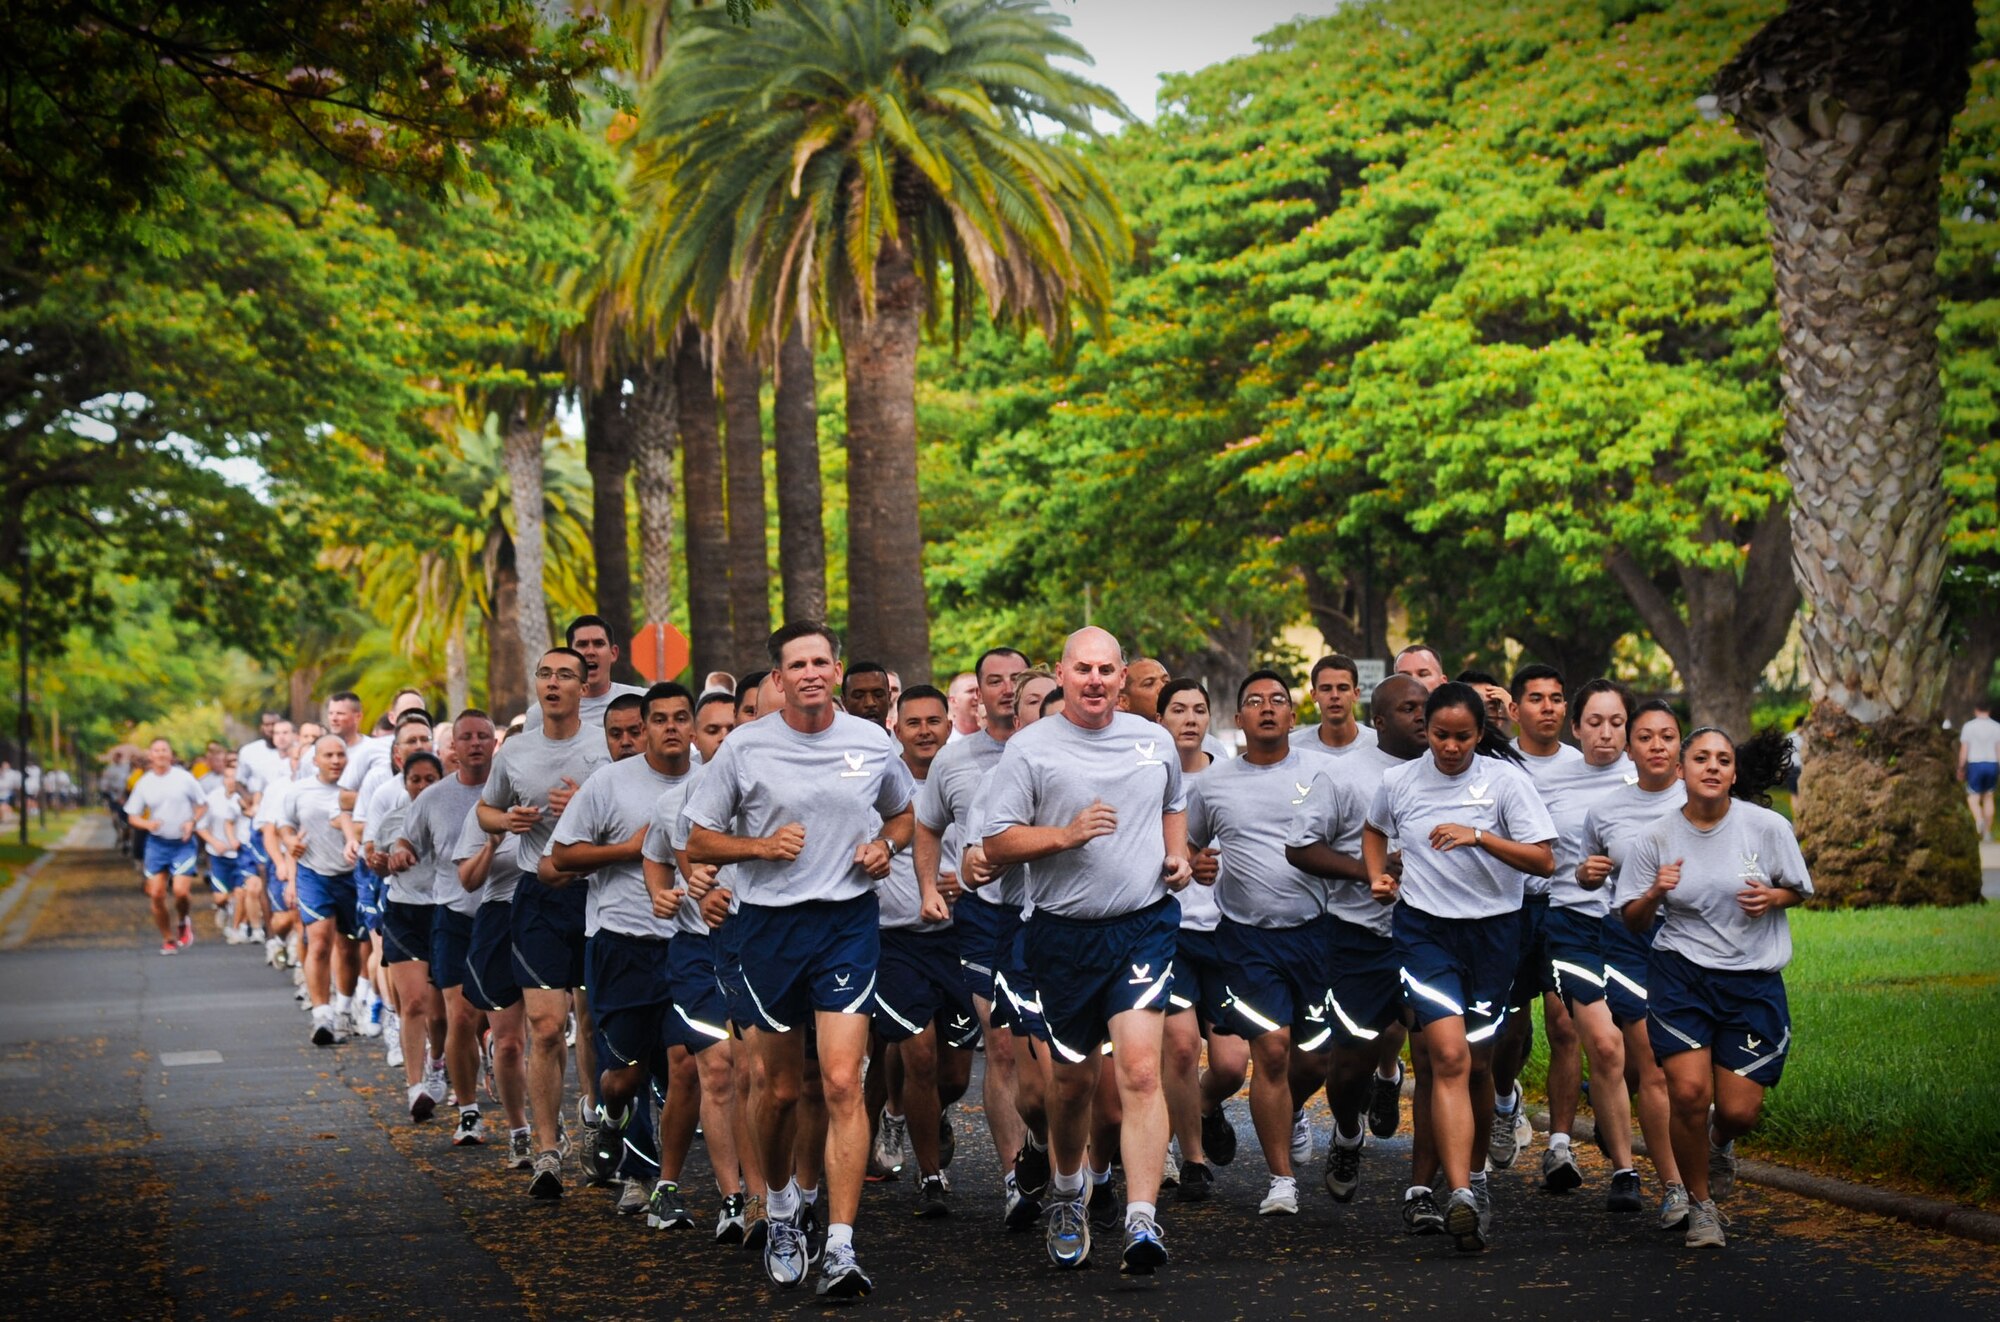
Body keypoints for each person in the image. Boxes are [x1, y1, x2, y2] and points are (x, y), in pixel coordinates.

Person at [684, 621, 915, 1300]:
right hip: (768, 928)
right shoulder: (747, 747)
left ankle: (840, 1247)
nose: (811, 672)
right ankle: (782, 1207)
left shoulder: (871, 741)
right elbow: (698, 840)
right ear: (778, 678)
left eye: (821, 661)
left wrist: (886, 847)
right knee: (781, 1090)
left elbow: (901, 814)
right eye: (797, 664)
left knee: (843, 1081)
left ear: (835, 671)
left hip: (845, 923)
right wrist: (759, 850)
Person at [983, 626, 1191, 1276]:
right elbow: (995, 845)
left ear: (1122, 676)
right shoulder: (1029, 748)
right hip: (1061, 936)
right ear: (1065, 675)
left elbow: (1173, 806)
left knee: (1139, 1072)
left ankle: (1140, 1220)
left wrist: (1177, 855)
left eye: (1107, 669)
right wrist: (1065, 836)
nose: (1096, 680)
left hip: (1142, 926)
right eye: (1083, 670)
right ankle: (1070, 1192)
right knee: (1070, 1088)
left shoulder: (1153, 739)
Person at [1363, 681, 1555, 1253]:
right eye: (1441, 735)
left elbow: (1544, 857)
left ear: (1480, 733)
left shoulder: (1505, 783)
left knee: (1477, 1063)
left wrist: (1478, 836)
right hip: (1425, 932)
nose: (1450, 747)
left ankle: (1472, 1180)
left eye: (1463, 737)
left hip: (1496, 934)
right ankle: (1459, 1193)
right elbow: (1375, 830)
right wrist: (1378, 874)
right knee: (1446, 1056)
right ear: (1426, 728)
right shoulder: (1399, 782)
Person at [1617, 727, 1808, 1250]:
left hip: (1752, 980)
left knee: (1740, 1111)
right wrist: (1656, 889)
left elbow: (1799, 889)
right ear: (1681, 770)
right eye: (1701, 757)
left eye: (1723, 759)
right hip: (1682, 976)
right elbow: (1632, 920)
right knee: (1688, 1093)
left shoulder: (1767, 828)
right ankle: (1702, 1206)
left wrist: (1773, 897)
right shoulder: (1655, 838)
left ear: (1734, 772)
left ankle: (1720, 1143)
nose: (1712, 767)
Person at [551, 683, 700, 1220]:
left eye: (680, 717)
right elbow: (561, 857)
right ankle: (607, 1116)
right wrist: (630, 849)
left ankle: (650, 1181)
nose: (669, 728)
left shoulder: (712, 777)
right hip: (621, 944)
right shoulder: (610, 783)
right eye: (657, 719)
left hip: (690, 945)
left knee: (684, 1065)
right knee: (627, 1075)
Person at [1187, 670, 1331, 1218]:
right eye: (1254, 701)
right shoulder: (1213, 784)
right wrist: (1196, 863)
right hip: (1247, 938)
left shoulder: (1324, 774)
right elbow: (1192, 845)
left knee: (1314, 1061)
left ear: (1294, 716)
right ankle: (1281, 1180)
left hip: (1316, 935)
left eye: (1278, 700)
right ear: (1239, 719)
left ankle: (1293, 1110)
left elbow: (1353, 836)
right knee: (1270, 1050)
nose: (1267, 708)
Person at [1285, 674, 1428, 1210]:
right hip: (1359, 936)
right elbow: (1300, 848)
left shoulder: (1452, 771)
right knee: (1347, 1065)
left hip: (1433, 934)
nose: (1421, 716)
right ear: (1380, 721)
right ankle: (1347, 1134)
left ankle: (1430, 1186)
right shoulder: (1345, 775)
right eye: (1409, 708)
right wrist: (1366, 871)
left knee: (1441, 1059)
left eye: (1426, 707)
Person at [479, 648, 613, 1196]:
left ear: (584, 687)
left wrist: (589, 803)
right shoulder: (515, 751)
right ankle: (545, 1150)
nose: (553, 683)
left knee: (598, 1022)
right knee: (545, 1026)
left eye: (565, 676)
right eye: (545, 674)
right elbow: (486, 809)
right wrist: (507, 819)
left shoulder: (604, 747)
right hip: (538, 894)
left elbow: (628, 813)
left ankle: (598, 1119)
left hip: (598, 892)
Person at [912, 647, 1036, 1225]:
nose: (1007, 688)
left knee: (1057, 1053)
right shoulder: (956, 760)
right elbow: (927, 824)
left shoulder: (1068, 747)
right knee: (1003, 1045)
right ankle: (1015, 1178)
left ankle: (1067, 1161)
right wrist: (930, 888)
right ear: (977, 692)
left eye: (1017, 678)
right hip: (986, 917)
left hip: (1057, 915)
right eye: (994, 681)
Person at [1580, 698, 1691, 1229]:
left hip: (1698, 941)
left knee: (1697, 1072)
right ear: (1630, 748)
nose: (1656, 746)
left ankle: (1708, 1143)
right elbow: (1594, 877)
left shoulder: (1704, 799)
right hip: (1628, 939)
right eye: (1644, 737)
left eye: (1666, 736)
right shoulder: (1605, 810)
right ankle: (1674, 1186)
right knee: (1651, 1061)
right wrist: (1588, 874)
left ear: (1681, 746)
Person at [868, 685, 978, 1216]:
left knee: (953, 1077)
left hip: (957, 938)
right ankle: (931, 1176)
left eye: (935, 720)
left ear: (949, 726)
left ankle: (923, 1114)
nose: (925, 730)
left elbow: (989, 852)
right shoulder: (879, 787)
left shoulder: (964, 778)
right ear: (898, 729)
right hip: (894, 939)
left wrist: (966, 882)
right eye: (914, 722)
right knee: (919, 1054)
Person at [1535, 679, 1645, 1211]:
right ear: (1575, 727)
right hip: (1571, 923)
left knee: (1641, 1057)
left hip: (1637, 932)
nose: (1606, 734)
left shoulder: (1650, 779)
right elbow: (1534, 854)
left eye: (1617, 723)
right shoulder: (1551, 782)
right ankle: (1624, 1172)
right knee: (1598, 1042)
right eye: (1594, 723)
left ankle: (1611, 1111)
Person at [641, 687, 746, 1240]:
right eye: (713, 730)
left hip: (759, 948)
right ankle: (733, 1198)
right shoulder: (674, 802)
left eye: (735, 726)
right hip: (696, 952)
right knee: (716, 1067)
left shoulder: (774, 790)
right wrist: (664, 894)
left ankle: (781, 1192)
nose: (725, 738)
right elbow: (655, 859)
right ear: (696, 740)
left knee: (761, 1075)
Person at [1154, 677, 1247, 1203]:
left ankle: (1206, 1107)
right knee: (1183, 1049)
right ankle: (1192, 1159)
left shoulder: (1228, 780)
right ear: (1161, 719)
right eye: (1178, 710)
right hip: (1171, 932)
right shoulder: (1146, 778)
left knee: (1232, 1064)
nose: (1189, 719)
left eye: (1198, 710)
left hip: (1226, 931)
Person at [1488, 664, 1578, 1174]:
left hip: (1567, 908)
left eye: (1557, 697)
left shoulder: (1586, 765)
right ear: (1514, 709)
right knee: (1511, 1031)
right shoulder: (1496, 764)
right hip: (1511, 908)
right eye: (1537, 698)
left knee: (1566, 1023)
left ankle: (1560, 1144)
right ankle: (1505, 1103)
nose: (1549, 707)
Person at [390, 712, 497, 1142]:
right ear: (452, 746)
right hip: (452, 916)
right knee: (461, 1016)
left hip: (501, 913)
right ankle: (468, 1111)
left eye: (482, 737)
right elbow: (406, 838)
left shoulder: (508, 789)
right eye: (464, 737)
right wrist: (398, 852)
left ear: (494, 743)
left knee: (506, 1027)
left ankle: (518, 1106)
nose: (473, 744)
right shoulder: (434, 797)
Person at [279, 735, 365, 1045]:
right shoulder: (299, 791)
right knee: (319, 942)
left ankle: (343, 1008)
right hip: (314, 874)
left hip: (352, 876)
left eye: (340, 755)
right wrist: (290, 842)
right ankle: (322, 1015)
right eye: (327, 755)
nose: (335, 760)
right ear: (315, 760)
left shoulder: (358, 791)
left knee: (349, 947)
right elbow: (284, 825)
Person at [374, 752, 447, 1102]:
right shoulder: (392, 821)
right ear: (404, 783)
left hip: (446, 912)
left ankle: (437, 1062)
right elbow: (377, 866)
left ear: (441, 780)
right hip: (404, 913)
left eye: (429, 779)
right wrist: (383, 862)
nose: (421, 785)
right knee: (414, 1002)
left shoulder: (454, 815)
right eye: (414, 779)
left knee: (441, 1009)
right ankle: (415, 1087)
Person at [124, 738, 209, 954]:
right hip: (157, 844)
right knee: (156, 894)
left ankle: (182, 920)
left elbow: (203, 804)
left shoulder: (184, 778)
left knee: (180, 891)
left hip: (182, 843)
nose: (161, 754)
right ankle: (168, 938)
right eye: (156, 751)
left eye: (165, 750)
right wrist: (147, 823)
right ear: (150, 756)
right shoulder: (145, 782)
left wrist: (192, 821)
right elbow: (132, 815)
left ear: (171, 755)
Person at [524, 615, 648, 739]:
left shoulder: (644, 701)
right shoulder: (541, 713)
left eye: (598, 644)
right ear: (569, 656)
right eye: (582, 645)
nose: (590, 652)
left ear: (613, 653)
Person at [1294, 656, 1379, 758]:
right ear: (1314, 695)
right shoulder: (1293, 747)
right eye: (1326, 689)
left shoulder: (1380, 745)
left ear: (1356, 694)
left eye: (1343, 688)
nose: (1335, 695)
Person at [1959, 699, 2000, 838]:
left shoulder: (1969, 727)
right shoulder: (1996, 727)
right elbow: (1998, 750)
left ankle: (1979, 820)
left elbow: (1964, 750)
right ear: (1989, 710)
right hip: (1992, 763)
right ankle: (1987, 832)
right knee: (1989, 797)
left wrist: (1961, 767)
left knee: (1973, 798)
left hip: (1975, 763)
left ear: (1976, 710)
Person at [842, 663, 894, 727]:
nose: (870, 703)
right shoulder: (834, 737)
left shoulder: (902, 737)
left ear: (889, 697)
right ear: (844, 702)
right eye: (859, 696)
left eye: (878, 695)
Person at [944, 672, 981, 743]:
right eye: (970, 691)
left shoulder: (1001, 739)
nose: (977, 697)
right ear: (953, 701)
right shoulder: (943, 744)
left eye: (980, 691)